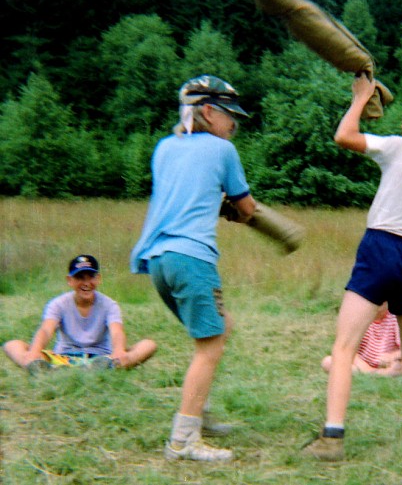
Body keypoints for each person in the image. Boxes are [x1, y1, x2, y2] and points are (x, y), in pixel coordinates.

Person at [303, 74, 402, 462]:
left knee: (344, 347)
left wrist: (360, 99)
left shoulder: (401, 148)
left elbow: (344, 136)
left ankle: (332, 438)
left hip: (380, 248)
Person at [130, 75, 257, 463]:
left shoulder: (164, 147)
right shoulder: (222, 150)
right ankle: (183, 440)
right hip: (192, 260)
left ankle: (196, 411)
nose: (234, 124)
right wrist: (237, 210)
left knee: (221, 327)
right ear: (208, 112)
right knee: (210, 346)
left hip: (159, 261)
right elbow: (247, 208)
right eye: (230, 115)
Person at [3, 255, 157, 373]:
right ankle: (42, 367)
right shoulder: (58, 304)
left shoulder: (109, 305)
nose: (86, 283)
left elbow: (117, 331)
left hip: (101, 358)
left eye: (91, 277)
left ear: (98, 279)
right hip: (64, 357)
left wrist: (119, 351)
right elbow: (46, 329)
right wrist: (35, 351)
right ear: (70, 280)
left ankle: (108, 366)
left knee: (148, 345)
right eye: (80, 278)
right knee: (12, 345)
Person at [321, 302, 402, 377]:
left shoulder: (396, 318)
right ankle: (375, 374)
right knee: (328, 362)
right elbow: (349, 349)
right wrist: (365, 367)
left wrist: (391, 356)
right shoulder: (360, 317)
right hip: (362, 363)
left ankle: (378, 374)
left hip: (386, 362)